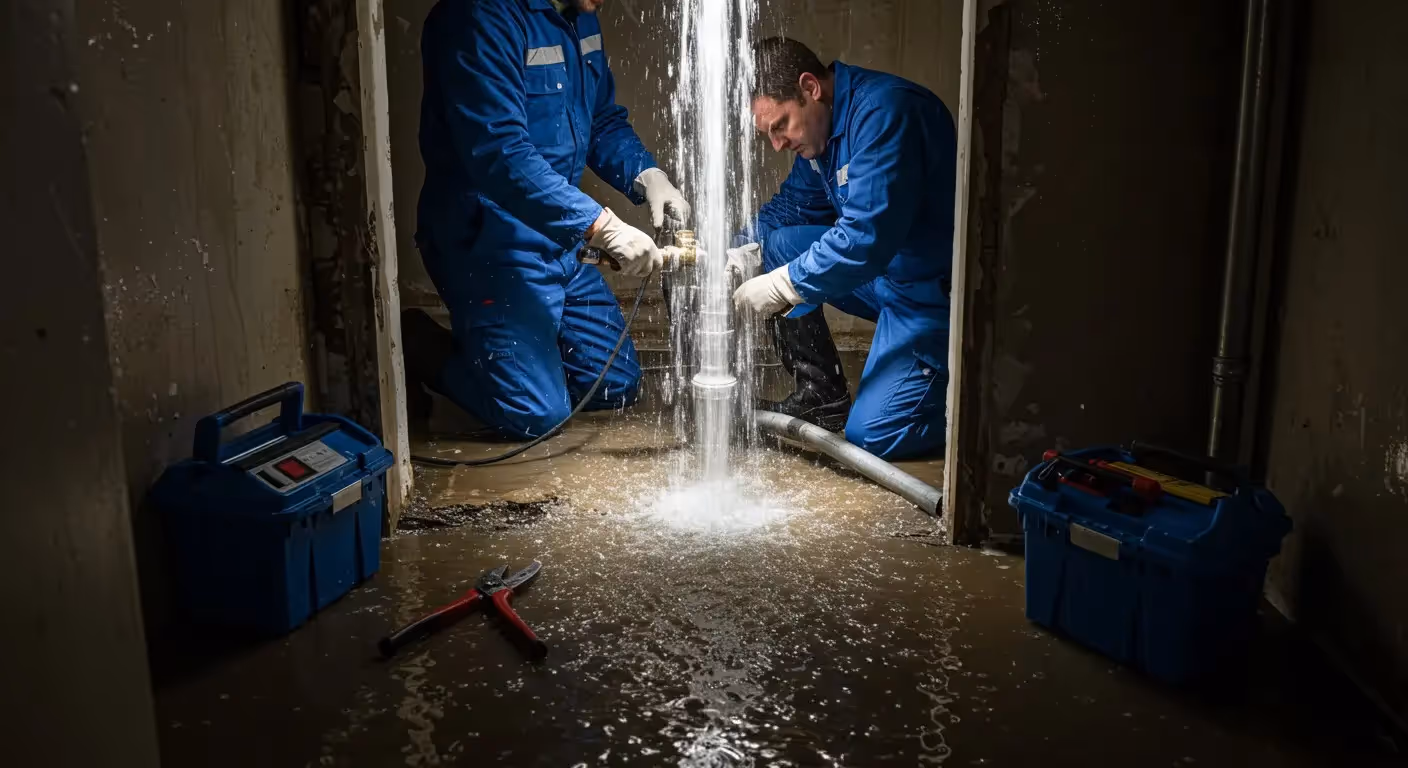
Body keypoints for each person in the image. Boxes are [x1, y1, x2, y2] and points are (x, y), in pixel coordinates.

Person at [406, 0, 690, 439]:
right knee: (536, 418)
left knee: (615, 387)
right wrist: (600, 226)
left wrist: (648, 176)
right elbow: (501, 154)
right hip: (490, 243)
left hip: (560, 238)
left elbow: (600, 120)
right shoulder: (479, 18)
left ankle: (523, 354)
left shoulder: (580, 14)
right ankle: (416, 343)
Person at [729, 37, 955, 460]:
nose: (777, 144)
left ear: (810, 87)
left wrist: (783, 285)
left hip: (930, 297)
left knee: (873, 435)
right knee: (775, 246)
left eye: (780, 125)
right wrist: (733, 252)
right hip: (886, 278)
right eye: (768, 133)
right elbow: (792, 207)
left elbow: (866, 236)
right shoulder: (822, 131)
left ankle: (970, 406)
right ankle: (822, 396)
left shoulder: (885, 113)